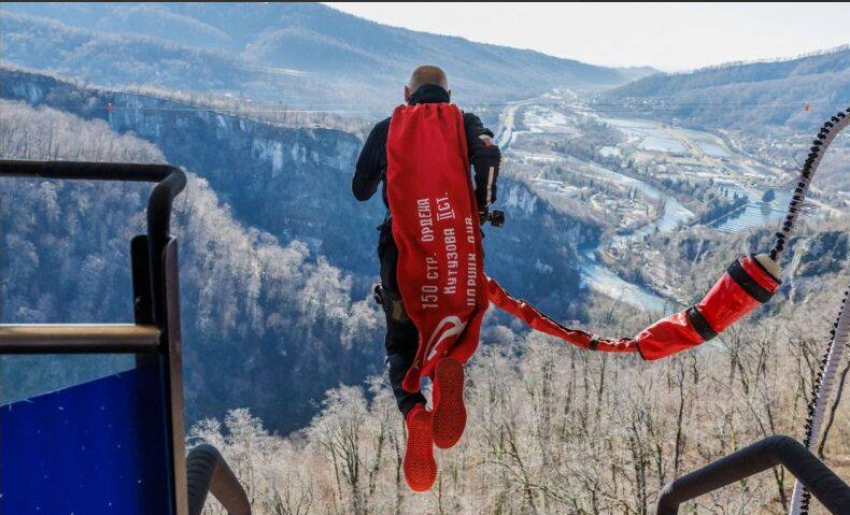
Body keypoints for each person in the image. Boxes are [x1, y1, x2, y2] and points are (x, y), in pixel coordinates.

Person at [353, 65, 501, 491]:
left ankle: (416, 412)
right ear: (449, 95)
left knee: (401, 339)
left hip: (400, 250)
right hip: (456, 247)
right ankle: (447, 368)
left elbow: (360, 189)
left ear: (406, 93)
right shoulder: (464, 122)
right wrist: (480, 202)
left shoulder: (389, 128)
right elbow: (489, 156)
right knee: (451, 318)